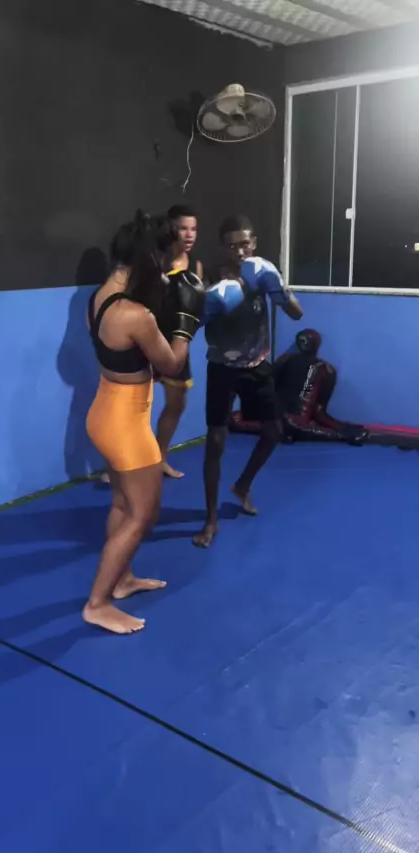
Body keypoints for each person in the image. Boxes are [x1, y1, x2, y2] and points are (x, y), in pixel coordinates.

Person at [83, 210, 204, 633]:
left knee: (122, 505)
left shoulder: (99, 297)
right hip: (126, 425)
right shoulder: (136, 315)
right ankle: (97, 603)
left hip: (104, 412)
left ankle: (122, 579)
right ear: (148, 258)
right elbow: (171, 365)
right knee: (143, 515)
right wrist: (186, 323)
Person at [193, 215, 303, 548]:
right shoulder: (211, 275)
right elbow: (193, 323)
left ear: (253, 243)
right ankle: (211, 519)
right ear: (222, 247)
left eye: (244, 244)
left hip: (257, 366)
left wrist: (279, 287)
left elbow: (296, 314)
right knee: (215, 442)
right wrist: (208, 304)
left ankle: (242, 486)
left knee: (274, 433)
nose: (239, 251)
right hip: (222, 369)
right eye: (232, 246)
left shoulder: (262, 273)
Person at [155, 204, 204, 478]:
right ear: (171, 228)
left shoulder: (196, 266)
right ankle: (122, 468)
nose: (190, 234)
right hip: (148, 340)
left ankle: (159, 458)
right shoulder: (156, 261)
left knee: (176, 403)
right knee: (136, 406)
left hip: (177, 343)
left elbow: (196, 310)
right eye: (184, 228)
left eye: (194, 229)